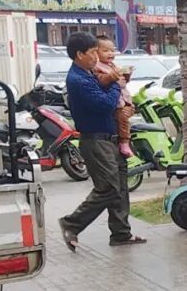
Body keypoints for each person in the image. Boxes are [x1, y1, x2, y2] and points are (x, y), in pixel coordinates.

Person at [58, 32, 146, 250]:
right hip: (96, 141)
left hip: (111, 138)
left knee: (121, 187)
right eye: (92, 53)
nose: (95, 57)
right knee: (109, 188)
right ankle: (71, 223)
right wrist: (117, 83)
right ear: (79, 54)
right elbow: (106, 104)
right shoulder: (78, 80)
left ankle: (121, 233)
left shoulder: (89, 73)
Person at [94, 35, 134, 157]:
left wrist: (126, 75)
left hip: (123, 100)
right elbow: (102, 80)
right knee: (122, 119)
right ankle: (124, 142)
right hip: (115, 103)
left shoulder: (112, 65)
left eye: (112, 50)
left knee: (126, 117)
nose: (110, 53)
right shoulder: (97, 67)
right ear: (95, 52)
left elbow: (122, 82)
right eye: (105, 51)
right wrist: (113, 76)